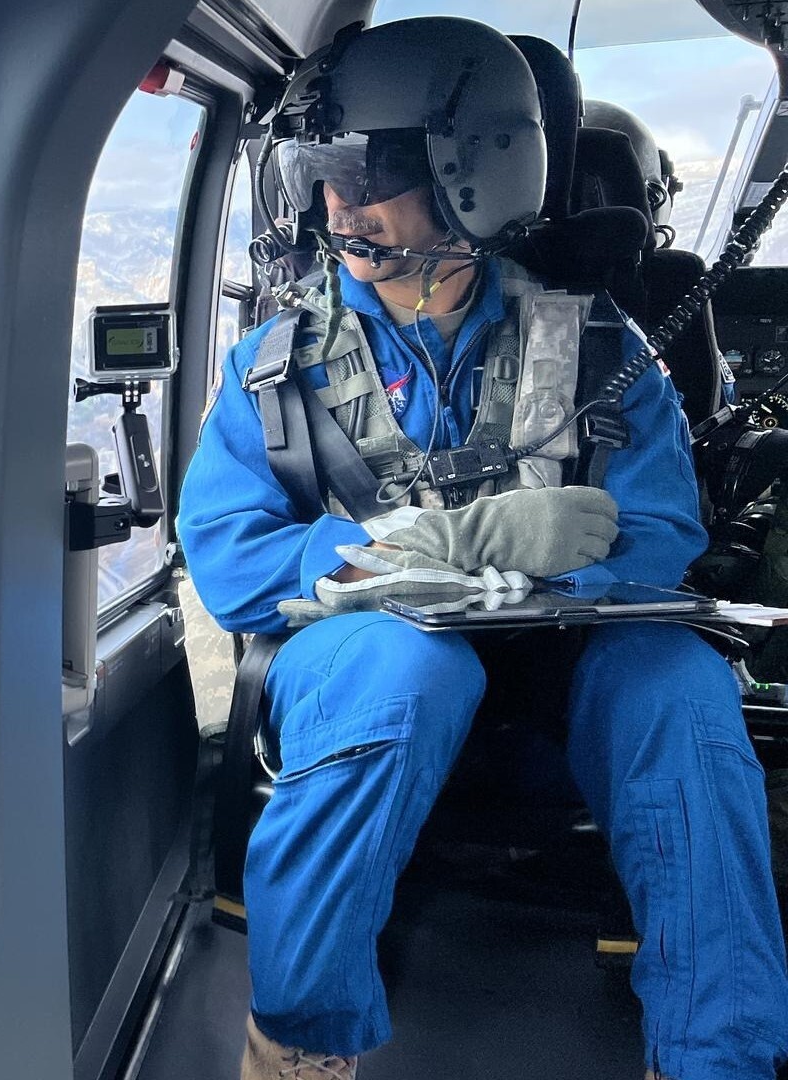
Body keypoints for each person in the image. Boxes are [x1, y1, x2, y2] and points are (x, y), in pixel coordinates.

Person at [175, 16, 788, 1080]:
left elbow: (657, 532)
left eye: (367, 172)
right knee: (406, 665)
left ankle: (716, 1058)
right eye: (319, 174)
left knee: (681, 689)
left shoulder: (599, 343)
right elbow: (229, 555)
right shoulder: (277, 369)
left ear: (476, 174)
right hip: (367, 654)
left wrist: (553, 574)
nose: (337, 206)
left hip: (567, 670)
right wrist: (415, 552)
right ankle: (299, 1045)